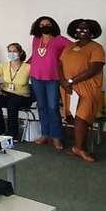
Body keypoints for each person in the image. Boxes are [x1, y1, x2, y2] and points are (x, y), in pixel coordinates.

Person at [59, 19, 106, 163]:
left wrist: (71, 81)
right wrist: (63, 81)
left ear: (92, 31)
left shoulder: (97, 48)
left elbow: (95, 69)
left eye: (86, 28)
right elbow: (60, 64)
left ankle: (80, 148)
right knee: (74, 117)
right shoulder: (70, 46)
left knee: (82, 117)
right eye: (79, 28)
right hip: (68, 88)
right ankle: (78, 147)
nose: (82, 31)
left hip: (88, 88)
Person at [27, 16, 70, 150]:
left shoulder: (60, 40)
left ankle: (56, 137)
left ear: (53, 25)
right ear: (38, 26)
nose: (45, 26)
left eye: (48, 24)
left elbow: (73, 51)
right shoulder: (36, 39)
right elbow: (34, 55)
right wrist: (24, 65)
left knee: (53, 107)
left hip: (53, 79)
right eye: (42, 24)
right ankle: (45, 134)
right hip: (36, 78)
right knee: (41, 107)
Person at [0, 42, 33, 140]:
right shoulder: (4, 66)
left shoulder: (28, 67)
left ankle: (12, 134)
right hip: (7, 93)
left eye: (14, 51)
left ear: (20, 53)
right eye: (9, 51)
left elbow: (36, 80)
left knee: (12, 103)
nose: (12, 53)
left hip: (22, 96)